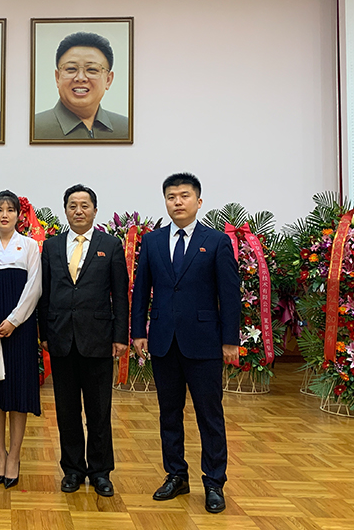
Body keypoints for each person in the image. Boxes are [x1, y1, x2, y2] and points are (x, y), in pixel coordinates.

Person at [131, 173, 240, 514]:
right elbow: (141, 292)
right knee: (169, 414)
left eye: (184, 195)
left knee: (210, 415)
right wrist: (138, 332)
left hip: (205, 343)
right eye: (171, 196)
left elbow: (229, 296)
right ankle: (176, 475)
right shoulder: (152, 242)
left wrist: (230, 340)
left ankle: (214, 482)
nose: (177, 202)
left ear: (198, 201)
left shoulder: (217, 241)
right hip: (163, 341)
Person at [38, 184, 128, 496]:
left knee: (99, 411)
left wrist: (120, 336)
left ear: (95, 210)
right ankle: (73, 470)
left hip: (98, 340)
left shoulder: (111, 245)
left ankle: (101, 472)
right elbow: (44, 295)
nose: (79, 211)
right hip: (61, 338)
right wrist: (44, 334)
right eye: (73, 205)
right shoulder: (51, 247)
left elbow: (120, 295)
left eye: (85, 205)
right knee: (66, 411)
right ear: (65, 210)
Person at [0, 190, 42, 489]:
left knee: (18, 394)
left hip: (20, 328)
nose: (4, 214)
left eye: (10, 209)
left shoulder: (29, 247)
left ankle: (15, 456)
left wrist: (14, 320)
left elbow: (34, 288)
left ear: (18, 215)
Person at [34, 32, 129, 140]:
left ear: (108, 80)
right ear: (57, 77)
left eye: (92, 69)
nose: (80, 78)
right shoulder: (34, 128)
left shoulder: (127, 129)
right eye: (71, 69)